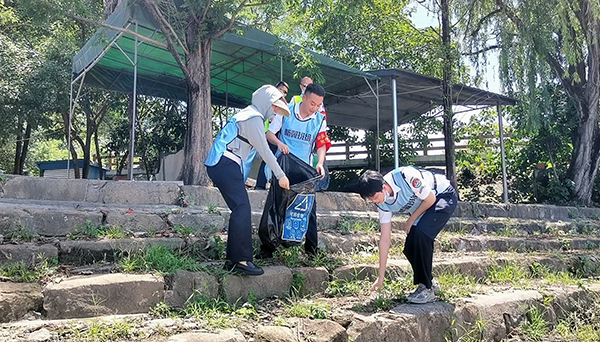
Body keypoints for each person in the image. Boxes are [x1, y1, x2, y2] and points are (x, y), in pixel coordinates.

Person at [205, 85, 291, 276]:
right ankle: (241, 260)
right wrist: (281, 175)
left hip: (224, 163)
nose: (275, 114)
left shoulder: (248, 115)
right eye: (275, 109)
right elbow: (265, 150)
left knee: (240, 208)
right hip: (225, 163)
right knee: (242, 208)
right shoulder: (253, 119)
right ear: (267, 104)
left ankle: (233, 259)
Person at [357, 167, 458, 304]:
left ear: (384, 187)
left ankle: (426, 289)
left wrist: (411, 219)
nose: (374, 201)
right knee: (410, 247)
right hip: (424, 206)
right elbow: (385, 239)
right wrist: (380, 278)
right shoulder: (382, 204)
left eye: (374, 197)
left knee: (422, 234)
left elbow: (430, 199)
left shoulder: (406, 176)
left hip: (442, 195)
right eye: (370, 200)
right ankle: (431, 282)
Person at [259, 83, 331, 258]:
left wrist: (320, 163)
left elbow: (321, 143)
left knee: (309, 209)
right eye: (312, 103)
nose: (315, 108)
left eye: (318, 105)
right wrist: (279, 143)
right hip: (283, 167)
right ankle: (267, 248)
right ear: (304, 97)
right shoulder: (286, 111)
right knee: (276, 205)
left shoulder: (319, 119)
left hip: (304, 170)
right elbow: (270, 134)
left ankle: (312, 251)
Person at [255, 81, 290, 190]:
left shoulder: (283, 103)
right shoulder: (269, 100)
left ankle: (273, 183)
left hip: (276, 136)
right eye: (282, 90)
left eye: (285, 93)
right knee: (266, 159)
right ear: (276, 88)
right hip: (267, 134)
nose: (283, 94)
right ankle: (260, 184)